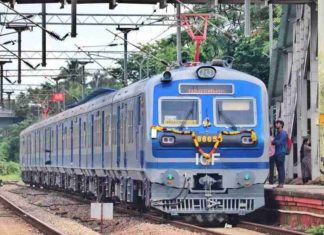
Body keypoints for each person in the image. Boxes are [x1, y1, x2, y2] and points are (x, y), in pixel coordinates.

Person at [272, 120, 288, 188]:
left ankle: (281, 183)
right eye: (276, 124)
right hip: (277, 152)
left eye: (277, 123)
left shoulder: (284, 133)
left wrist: (275, 141)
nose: (276, 125)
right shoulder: (277, 133)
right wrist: (275, 141)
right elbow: (273, 142)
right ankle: (280, 183)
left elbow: (278, 142)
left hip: (281, 152)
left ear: (281, 125)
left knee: (281, 168)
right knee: (278, 168)